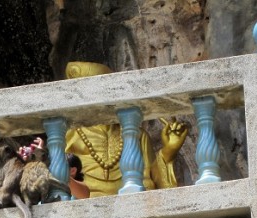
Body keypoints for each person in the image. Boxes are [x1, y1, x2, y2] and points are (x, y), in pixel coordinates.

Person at [64, 61, 189, 197]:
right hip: (86, 206)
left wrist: (168, 151)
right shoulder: (71, 136)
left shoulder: (138, 135)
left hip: (136, 203)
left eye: (108, 89)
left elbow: (153, 178)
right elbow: (61, 179)